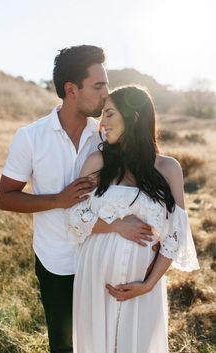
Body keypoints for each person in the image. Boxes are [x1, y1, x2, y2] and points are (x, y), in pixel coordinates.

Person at [0, 47, 155, 353]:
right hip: (56, 261)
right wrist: (58, 199)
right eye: (98, 86)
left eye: (106, 85)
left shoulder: (106, 133)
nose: (107, 93)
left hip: (104, 258)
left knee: (104, 340)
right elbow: (5, 198)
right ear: (71, 89)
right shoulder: (30, 137)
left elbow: (139, 177)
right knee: (64, 344)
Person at [66, 85, 200, 353]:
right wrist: (116, 226)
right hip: (95, 279)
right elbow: (74, 215)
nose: (101, 123)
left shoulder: (168, 168)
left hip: (141, 287)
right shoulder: (97, 162)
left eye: (109, 114)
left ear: (134, 117)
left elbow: (176, 234)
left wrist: (148, 285)